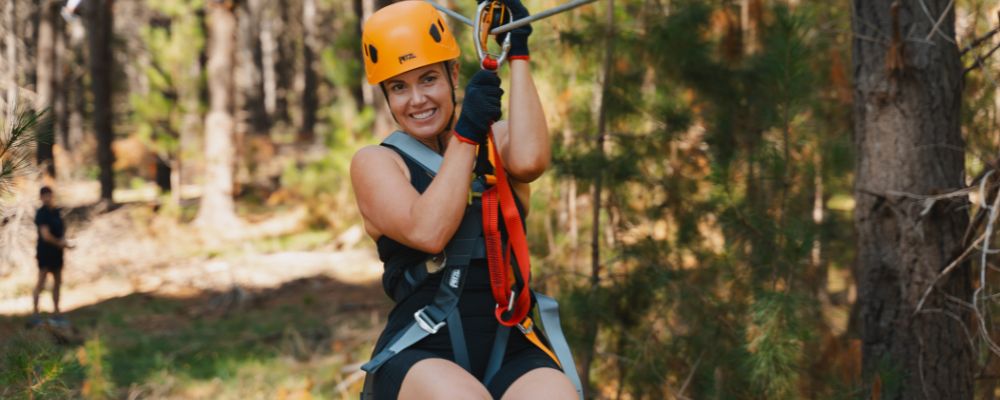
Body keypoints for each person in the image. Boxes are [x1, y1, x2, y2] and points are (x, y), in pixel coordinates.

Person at [350, 1, 577, 399]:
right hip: (421, 349)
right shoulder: (376, 163)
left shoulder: (498, 141)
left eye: (428, 79)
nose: (417, 99)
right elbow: (428, 231)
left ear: (454, 74)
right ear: (386, 95)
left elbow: (530, 160)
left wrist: (517, 50)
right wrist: (467, 133)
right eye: (399, 87)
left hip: (511, 341)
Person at [32, 186, 71, 325]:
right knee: (41, 282)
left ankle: (56, 312)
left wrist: (65, 242)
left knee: (57, 282)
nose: (48, 198)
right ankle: (35, 314)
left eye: (50, 195)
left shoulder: (56, 212)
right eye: (45, 195)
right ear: (41, 197)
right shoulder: (41, 214)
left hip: (57, 254)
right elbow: (46, 235)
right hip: (45, 253)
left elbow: (61, 230)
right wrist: (60, 243)